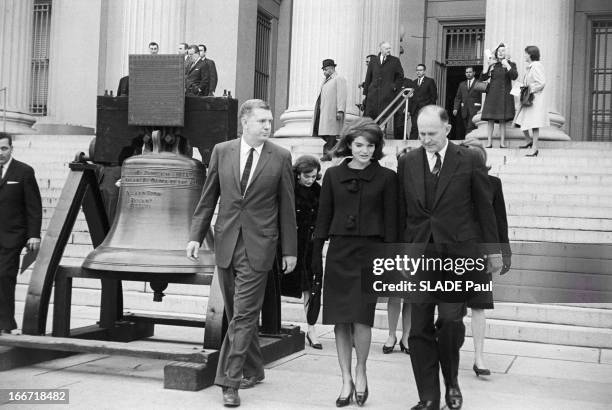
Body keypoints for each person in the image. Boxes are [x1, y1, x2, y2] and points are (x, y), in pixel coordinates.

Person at [186, 99, 297, 407]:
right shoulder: (222, 152)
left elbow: (287, 207)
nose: (267, 126)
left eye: (270, 121)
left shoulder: (281, 156)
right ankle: (255, 368)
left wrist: (290, 250)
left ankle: (230, 381)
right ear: (244, 122)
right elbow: (208, 198)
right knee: (238, 315)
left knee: (245, 314)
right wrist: (196, 235)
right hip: (226, 243)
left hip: (259, 247)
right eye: (261, 121)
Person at [397, 105, 502, 410]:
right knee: (418, 329)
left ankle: (452, 382)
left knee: (450, 322)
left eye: (431, 133)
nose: (426, 139)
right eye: (421, 134)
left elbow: (485, 208)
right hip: (419, 256)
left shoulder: (468, 159)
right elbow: (402, 213)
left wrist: (493, 251)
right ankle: (428, 397)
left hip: (457, 255)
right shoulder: (408, 161)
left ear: (447, 129)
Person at [312, 117, 397, 407]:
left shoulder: (387, 179)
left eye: (370, 146)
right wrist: (315, 257)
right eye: (359, 145)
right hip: (339, 254)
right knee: (339, 320)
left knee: (362, 319)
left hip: (371, 255)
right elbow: (322, 218)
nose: (365, 151)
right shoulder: (333, 176)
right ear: (349, 144)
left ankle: (361, 370)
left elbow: (392, 225)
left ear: (377, 147)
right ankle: (345, 378)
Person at [460, 137, 512, 376]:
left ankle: (479, 357)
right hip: (454, 252)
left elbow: (499, 220)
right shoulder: (451, 183)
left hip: (481, 252)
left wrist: (504, 251)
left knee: (479, 306)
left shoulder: (493, 183)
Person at [0, 132, 42, 334]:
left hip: (11, 237)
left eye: (4, 148)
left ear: (11, 149)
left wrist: (34, 234)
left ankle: (6, 324)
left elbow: (33, 207)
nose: (0, 153)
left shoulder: (24, 172)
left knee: (4, 276)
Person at [281, 155, 323, 349]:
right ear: (297, 174)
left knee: (312, 288)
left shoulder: (318, 192)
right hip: (288, 246)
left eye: (313, 176)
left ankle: (312, 328)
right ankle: (271, 322)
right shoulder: (289, 190)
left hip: (311, 247)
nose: (310, 180)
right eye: (306, 176)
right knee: (278, 285)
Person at [480, 43, 518, 148]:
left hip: (504, 95)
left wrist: (508, 65)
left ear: (506, 52)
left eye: (503, 50)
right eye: (499, 51)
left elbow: (514, 76)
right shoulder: (493, 64)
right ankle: (489, 142)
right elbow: (482, 78)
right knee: (490, 119)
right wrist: (488, 66)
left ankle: (502, 142)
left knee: (502, 119)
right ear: (496, 53)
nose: (500, 53)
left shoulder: (511, 64)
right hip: (492, 94)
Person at [514, 45, 550, 157]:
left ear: (530, 54)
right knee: (520, 120)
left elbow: (541, 83)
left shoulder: (536, 66)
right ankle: (529, 141)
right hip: (529, 98)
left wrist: (529, 89)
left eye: (526, 53)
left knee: (534, 124)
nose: (524, 55)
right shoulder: (531, 67)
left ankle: (534, 148)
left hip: (534, 100)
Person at [312, 59, 347, 161]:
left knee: (331, 134)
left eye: (326, 69)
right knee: (322, 132)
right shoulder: (326, 80)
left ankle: (327, 155)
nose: (324, 72)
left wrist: (340, 110)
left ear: (332, 68)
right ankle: (340, 148)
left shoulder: (339, 79)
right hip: (324, 112)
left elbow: (342, 95)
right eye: (323, 70)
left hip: (332, 112)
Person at [363, 42, 404, 120]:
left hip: (387, 95)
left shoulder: (395, 61)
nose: (389, 50)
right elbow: (368, 77)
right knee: (371, 118)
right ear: (381, 49)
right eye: (386, 48)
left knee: (383, 117)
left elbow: (400, 76)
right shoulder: (373, 60)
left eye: (389, 48)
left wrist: (394, 87)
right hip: (373, 95)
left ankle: (382, 131)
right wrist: (366, 92)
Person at [408, 64, 438, 140]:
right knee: (414, 127)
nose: (418, 72)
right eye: (417, 70)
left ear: (424, 71)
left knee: (425, 128)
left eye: (420, 70)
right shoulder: (413, 82)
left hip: (425, 109)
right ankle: (411, 146)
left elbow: (434, 96)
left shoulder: (430, 81)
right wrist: (409, 110)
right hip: (415, 109)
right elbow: (411, 97)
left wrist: (431, 109)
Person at [452, 66, 482, 137]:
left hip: (475, 109)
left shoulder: (479, 82)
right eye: (467, 72)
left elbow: (482, 96)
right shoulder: (462, 84)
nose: (468, 74)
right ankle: (470, 141)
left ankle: (468, 142)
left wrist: (482, 108)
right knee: (467, 127)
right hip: (464, 110)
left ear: (474, 73)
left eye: (470, 72)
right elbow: (458, 97)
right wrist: (455, 108)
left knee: (470, 127)